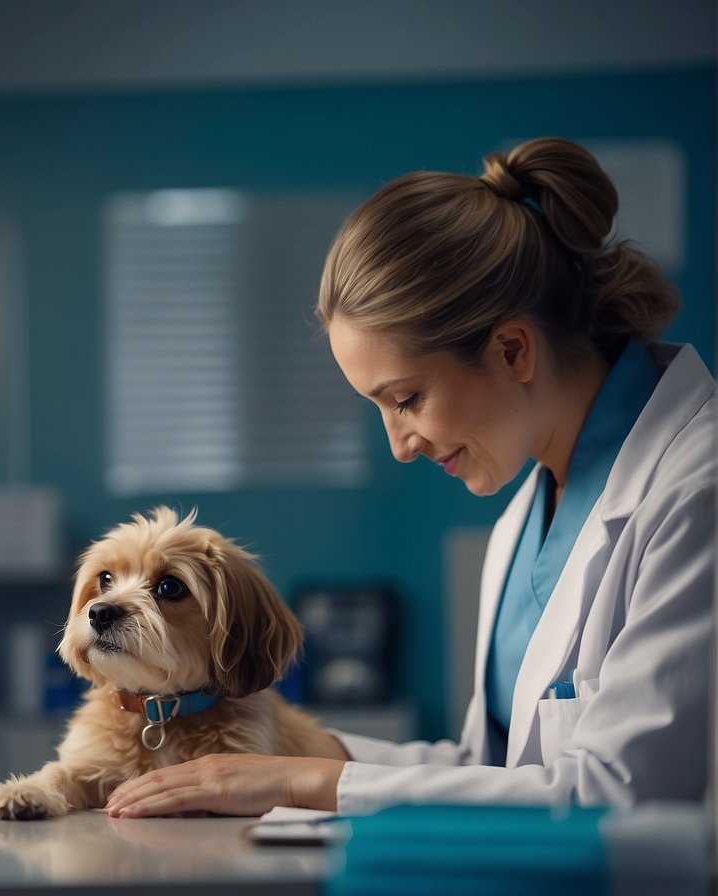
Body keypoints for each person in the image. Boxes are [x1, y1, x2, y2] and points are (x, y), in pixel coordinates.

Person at [106, 137, 715, 819]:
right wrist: (289, 753)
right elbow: (495, 772)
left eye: (405, 399)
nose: (399, 445)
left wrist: (296, 783)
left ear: (512, 349)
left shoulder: (696, 492)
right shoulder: (533, 507)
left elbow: (618, 791)